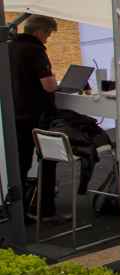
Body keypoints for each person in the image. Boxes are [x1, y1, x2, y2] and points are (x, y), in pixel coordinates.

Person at [11, 15, 60, 221]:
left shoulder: (9, 47)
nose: (47, 39)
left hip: (14, 113)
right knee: (49, 158)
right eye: (48, 34)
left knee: (20, 164)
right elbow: (48, 85)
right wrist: (57, 84)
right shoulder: (35, 50)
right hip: (36, 116)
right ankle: (45, 209)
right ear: (40, 32)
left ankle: (18, 212)